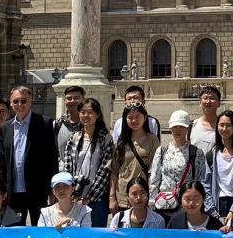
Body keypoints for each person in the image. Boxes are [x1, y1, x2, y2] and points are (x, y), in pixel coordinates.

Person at [0, 86, 58, 225]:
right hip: (13, 192)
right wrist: (2, 190)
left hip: (37, 190)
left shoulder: (44, 123)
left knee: (39, 229)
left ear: (30, 101)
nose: (20, 104)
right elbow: (2, 162)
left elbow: (51, 158)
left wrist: (51, 188)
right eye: (16, 101)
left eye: (23, 101)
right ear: (11, 104)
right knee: (15, 230)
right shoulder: (5, 127)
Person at [149, 110, 206, 223]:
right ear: (170, 128)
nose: (178, 130)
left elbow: (201, 180)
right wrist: (152, 204)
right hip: (163, 206)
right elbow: (154, 180)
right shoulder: (162, 151)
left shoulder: (196, 152)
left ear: (187, 128)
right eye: (175, 127)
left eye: (182, 127)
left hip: (187, 206)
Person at [64, 97, 113, 228]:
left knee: (96, 233)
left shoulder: (106, 139)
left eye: (90, 112)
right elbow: (67, 167)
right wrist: (71, 192)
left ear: (97, 114)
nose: (86, 115)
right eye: (83, 112)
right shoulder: (73, 137)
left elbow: (105, 170)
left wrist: (89, 197)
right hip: (74, 196)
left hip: (97, 198)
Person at [109, 102, 159, 217]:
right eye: (130, 117)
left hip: (142, 195)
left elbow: (154, 170)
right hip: (122, 195)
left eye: (137, 116)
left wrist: (151, 195)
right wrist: (112, 197)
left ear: (145, 118)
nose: (134, 120)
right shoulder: (121, 140)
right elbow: (114, 171)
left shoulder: (152, 140)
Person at [51, 85, 86, 162]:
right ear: (65, 101)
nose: (72, 101)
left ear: (83, 100)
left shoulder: (89, 125)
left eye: (76, 98)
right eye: (69, 98)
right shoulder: (57, 125)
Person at [188, 85, 221, 154]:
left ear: (219, 103)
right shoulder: (192, 126)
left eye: (212, 98)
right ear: (200, 103)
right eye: (205, 98)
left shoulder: (224, 127)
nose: (208, 101)